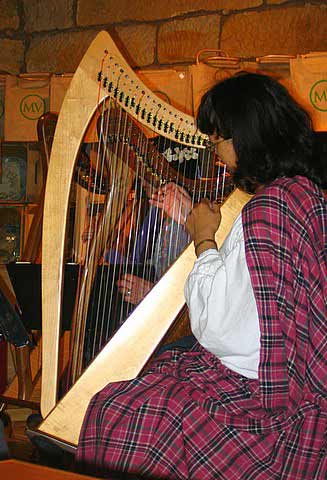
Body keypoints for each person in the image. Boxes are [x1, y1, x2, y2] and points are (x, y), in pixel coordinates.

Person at [76, 72, 327, 479]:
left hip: (262, 393)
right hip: (284, 377)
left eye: (218, 141)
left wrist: (204, 239)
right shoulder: (304, 195)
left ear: (245, 135)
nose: (215, 153)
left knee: (117, 408)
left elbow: (223, 332)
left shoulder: (266, 210)